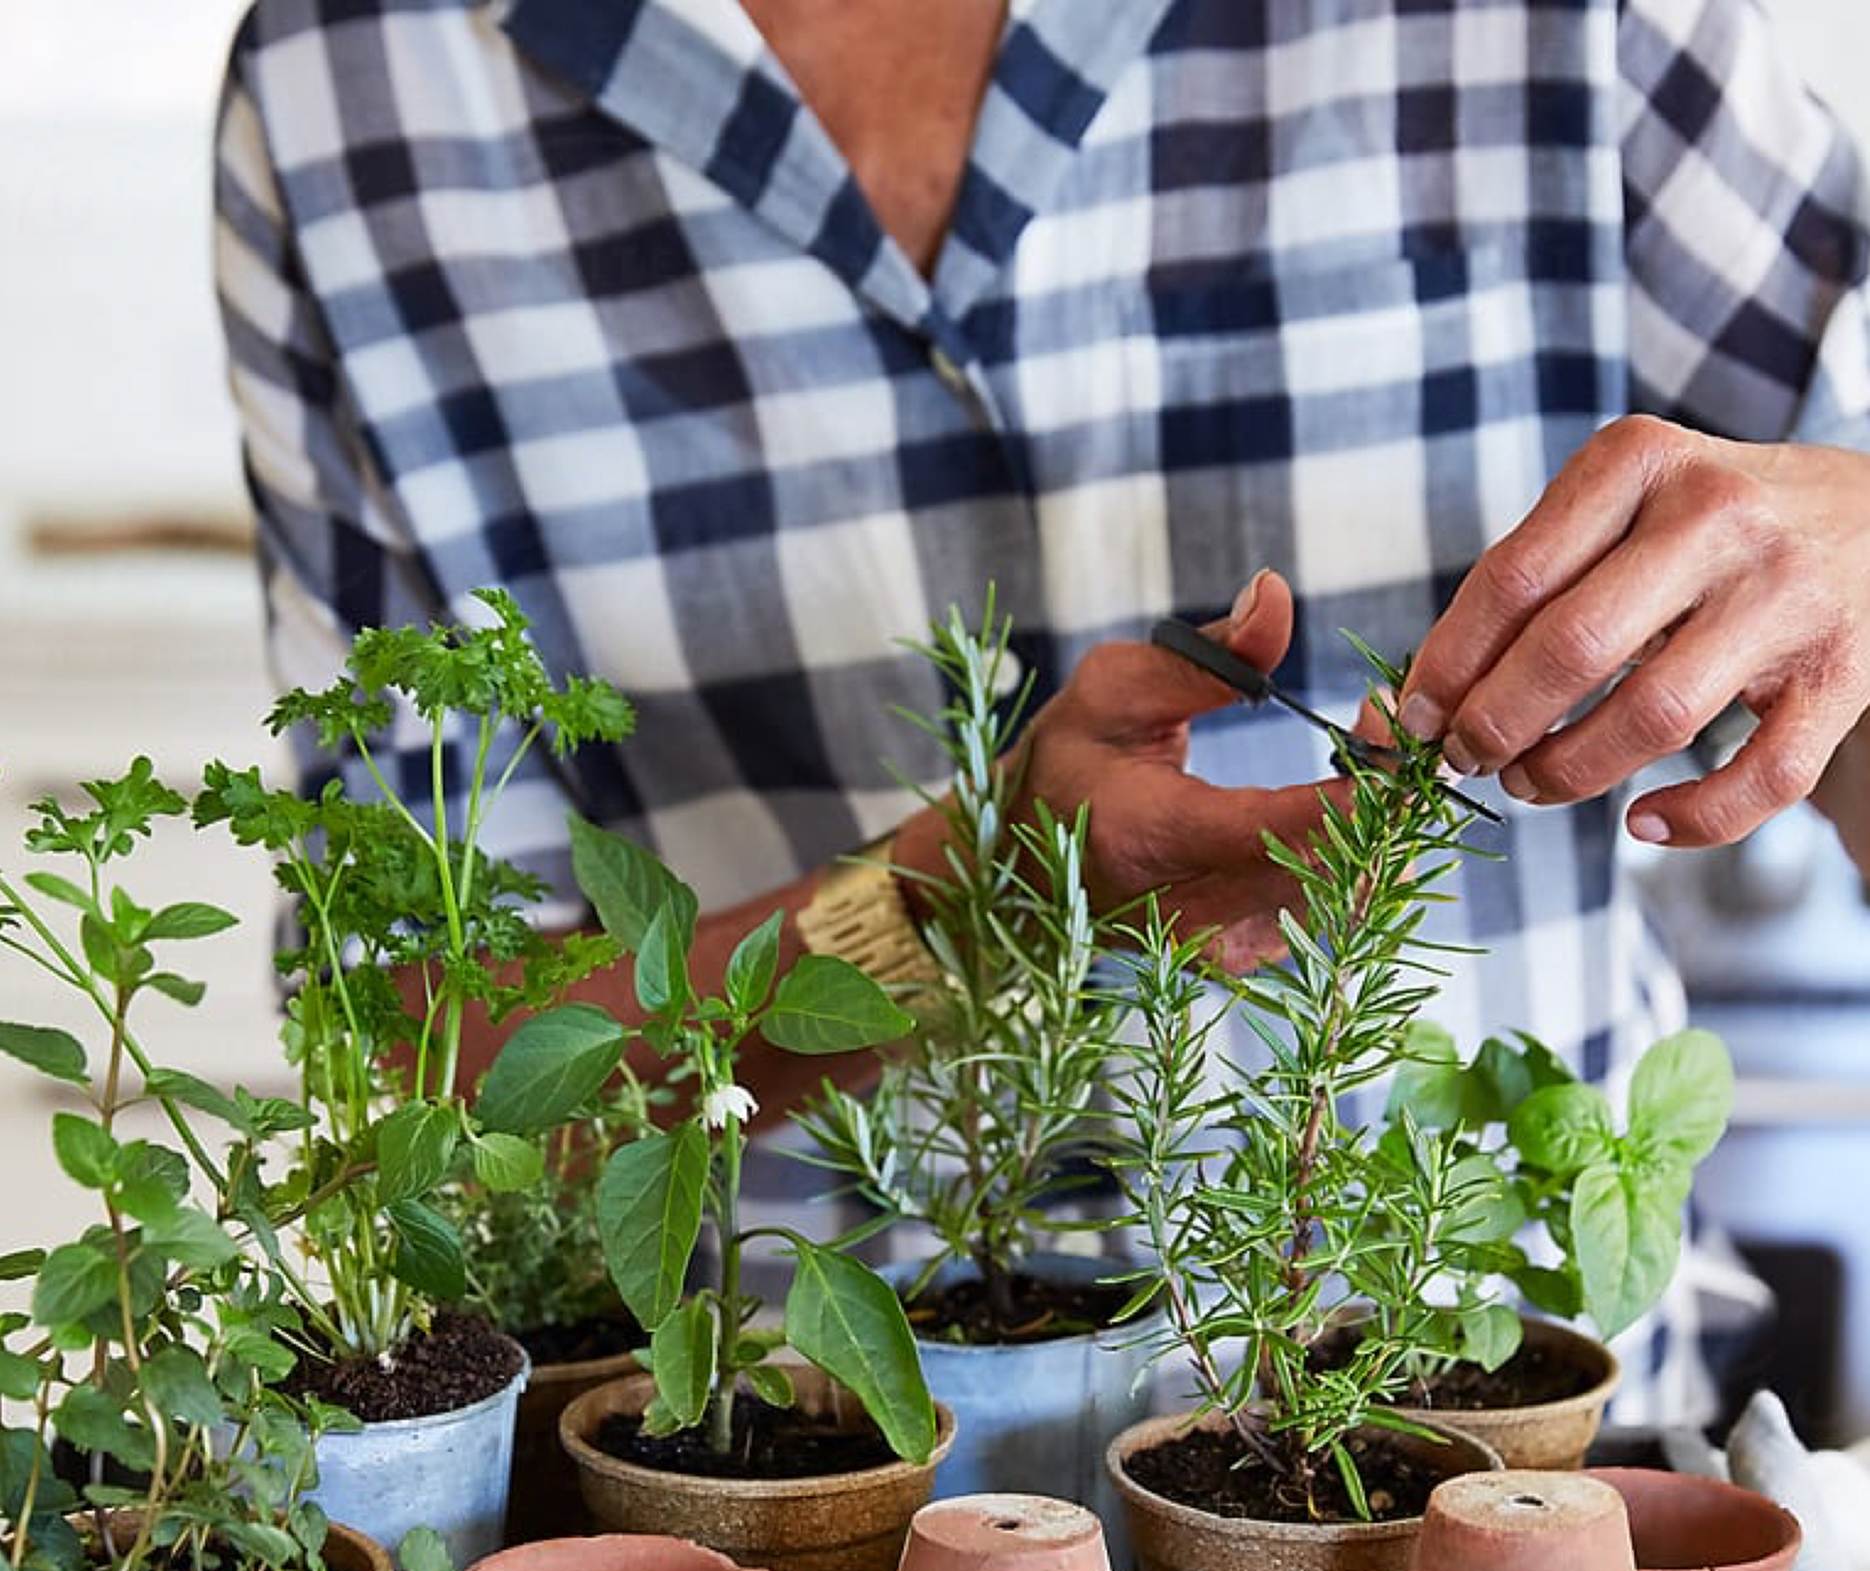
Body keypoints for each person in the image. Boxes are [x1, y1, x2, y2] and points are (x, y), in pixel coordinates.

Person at [214, 0, 1870, 1416]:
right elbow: (418, 1078)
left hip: (1519, 1462)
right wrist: (967, 895)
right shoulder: (351, 83)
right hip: (793, 1488)